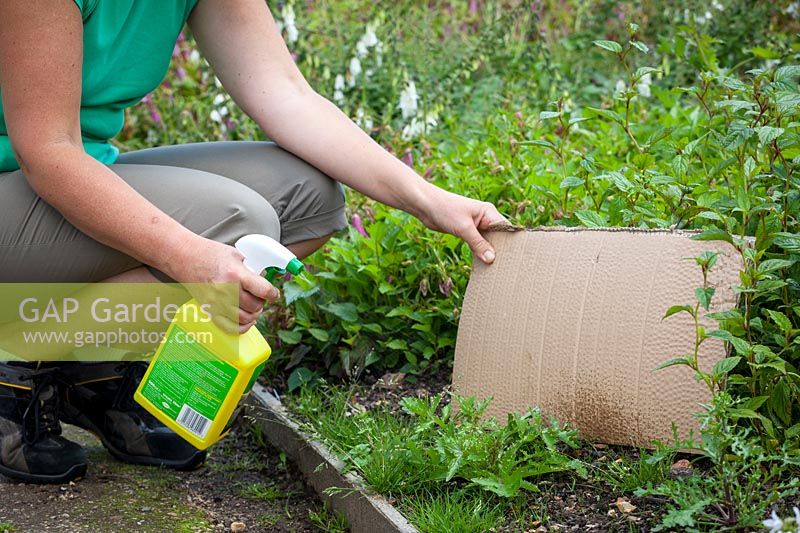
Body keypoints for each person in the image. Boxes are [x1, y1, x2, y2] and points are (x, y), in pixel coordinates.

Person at [0, 0, 506, 484]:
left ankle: (87, 367)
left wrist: (427, 199)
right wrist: (187, 255)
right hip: (24, 178)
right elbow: (51, 152)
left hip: (67, 175)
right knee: (240, 220)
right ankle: (16, 356)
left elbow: (286, 93)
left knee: (308, 200)